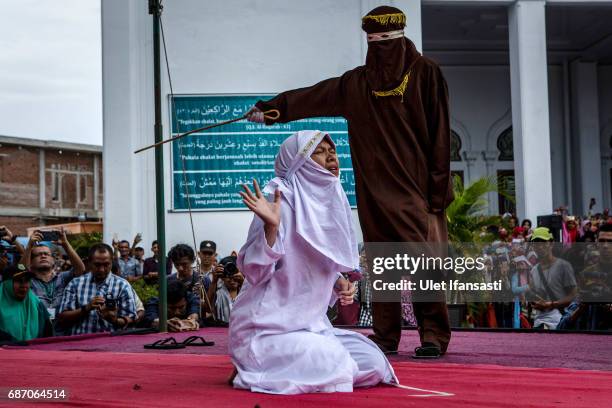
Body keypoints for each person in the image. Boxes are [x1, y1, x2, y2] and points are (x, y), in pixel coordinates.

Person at [246, 5, 453, 358]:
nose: (381, 52)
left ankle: (433, 335)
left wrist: (436, 193)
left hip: (415, 192)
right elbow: (313, 96)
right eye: (374, 44)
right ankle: (387, 336)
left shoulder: (426, 74)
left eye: (386, 43)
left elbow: (440, 137)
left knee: (422, 262)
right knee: (382, 261)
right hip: (373, 191)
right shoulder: (357, 83)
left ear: (401, 40)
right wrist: (271, 110)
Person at [230, 130, 396, 394]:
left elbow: (317, 263)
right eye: (319, 151)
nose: (331, 156)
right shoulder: (279, 198)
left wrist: (339, 281)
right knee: (336, 363)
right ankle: (253, 363)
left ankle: (282, 365)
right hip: (267, 328)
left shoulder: (331, 198)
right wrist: (271, 229)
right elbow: (255, 273)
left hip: (310, 327)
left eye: (332, 151)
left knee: (374, 363)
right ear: (299, 160)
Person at [57, 243, 136, 335]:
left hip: (111, 345)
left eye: (106, 265)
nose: (102, 269)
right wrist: (86, 308)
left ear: (112, 262)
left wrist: (114, 320)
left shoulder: (122, 285)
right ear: (89, 262)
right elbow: (63, 318)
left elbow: (132, 318)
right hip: (79, 344)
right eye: (97, 265)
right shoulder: (75, 284)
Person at [24, 229, 85, 331]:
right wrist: (29, 246)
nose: (43, 256)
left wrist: (66, 244)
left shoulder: (62, 277)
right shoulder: (28, 281)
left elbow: (80, 269)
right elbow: (21, 268)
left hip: (62, 334)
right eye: (38, 255)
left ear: (53, 260)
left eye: (46, 254)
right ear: (31, 262)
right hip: (37, 334)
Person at [528, 227, 578, 329]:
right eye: (536, 243)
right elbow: (533, 295)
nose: (540, 246)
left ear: (551, 243)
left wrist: (550, 304)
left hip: (559, 322)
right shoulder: (533, 270)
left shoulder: (564, 266)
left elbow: (573, 296)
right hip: (539, 323)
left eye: (543, 242)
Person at [0, 264, 52, 342]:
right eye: (18, 281)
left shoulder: (37, 305)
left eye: (27, 281)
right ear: (7, 283)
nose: (23, 286)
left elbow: (48, 336)